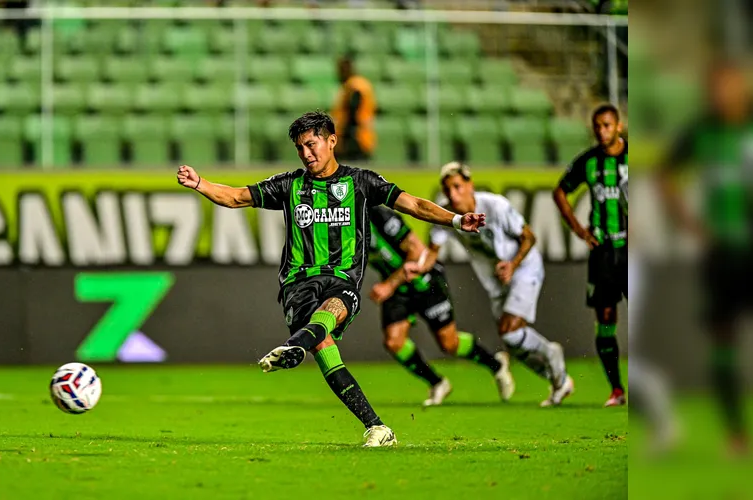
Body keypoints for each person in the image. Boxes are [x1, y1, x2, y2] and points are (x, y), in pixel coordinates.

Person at [176, 111, 485, 447]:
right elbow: (236, 197)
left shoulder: (361, 182)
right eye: (300, 148)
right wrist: (200, 184)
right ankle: (375, 425)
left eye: (311, 144)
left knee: (335, 306)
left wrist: (455, 221)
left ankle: (297, 348)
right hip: (298, 283)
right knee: (325, 346)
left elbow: (413, 205)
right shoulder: (290, 185)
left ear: (331, 140)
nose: (306, 154)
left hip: (341, 281)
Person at [422, 162, 574, 407]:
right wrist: (415, 268)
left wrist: (513, 264)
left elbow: (529, 237)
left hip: (523, 268)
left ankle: (551, 353)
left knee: (510, 331)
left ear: (470, 185)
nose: (453, 194)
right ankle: (559, 379)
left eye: (458, 187)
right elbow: (431, 252)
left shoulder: (496, 205)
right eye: (448, 189)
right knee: (514, 344)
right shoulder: (448, 216)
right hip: (495, 280)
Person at [659, 60, 752, 456]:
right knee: (722, 336)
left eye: (729, 86)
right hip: (721, 255)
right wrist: (693, 224)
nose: (722, 94)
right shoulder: (701, 131)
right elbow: (666, 175)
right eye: (716, 88)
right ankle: (735, 434)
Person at [366, 205, 515, 406]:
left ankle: (497, 365)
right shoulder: (343, 225)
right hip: (397, 287)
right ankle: (437, 383)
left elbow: (417, 251)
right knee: (394, 342)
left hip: (423, 279)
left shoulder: (378, 215)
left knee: (449, 344)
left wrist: (389, 285)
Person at [552, 103, 628, 408]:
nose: (601, 131)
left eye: (607, 125)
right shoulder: (589, 161)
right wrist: (580, 231)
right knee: (605, 317)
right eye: (597, 126)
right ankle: (617, 390)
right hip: (603, 251)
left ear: (619, 126)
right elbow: (559, 192)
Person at [332, 56, 376, 163]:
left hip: (355, 138)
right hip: (364, 135)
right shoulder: (362, 84)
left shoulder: (353, 87)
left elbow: (351, 114)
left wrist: (342, 137)